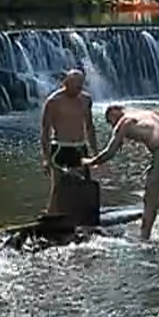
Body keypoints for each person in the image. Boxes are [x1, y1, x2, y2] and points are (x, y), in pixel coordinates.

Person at [82, 105, 159, 240]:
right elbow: (155, 134)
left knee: (150, 198)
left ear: (114, 114)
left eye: (110, 121)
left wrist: (91, 162)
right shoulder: (146, 114)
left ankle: (144, 238)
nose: (112, 125)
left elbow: (110, 152)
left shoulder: (124, 122)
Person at [40, 69, 99, 214]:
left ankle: (80, 218)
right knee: (58, 188)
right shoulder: (53, 101)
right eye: (75, 85)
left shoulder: (86, 99)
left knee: (84, 184)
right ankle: (52, 217)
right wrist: (46, 159)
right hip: (61, 148)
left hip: (80, 147)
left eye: (80, 85)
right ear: (65, 83)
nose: (78, 88)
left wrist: (96, 153)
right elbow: (45, 132)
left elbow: (90, 127)